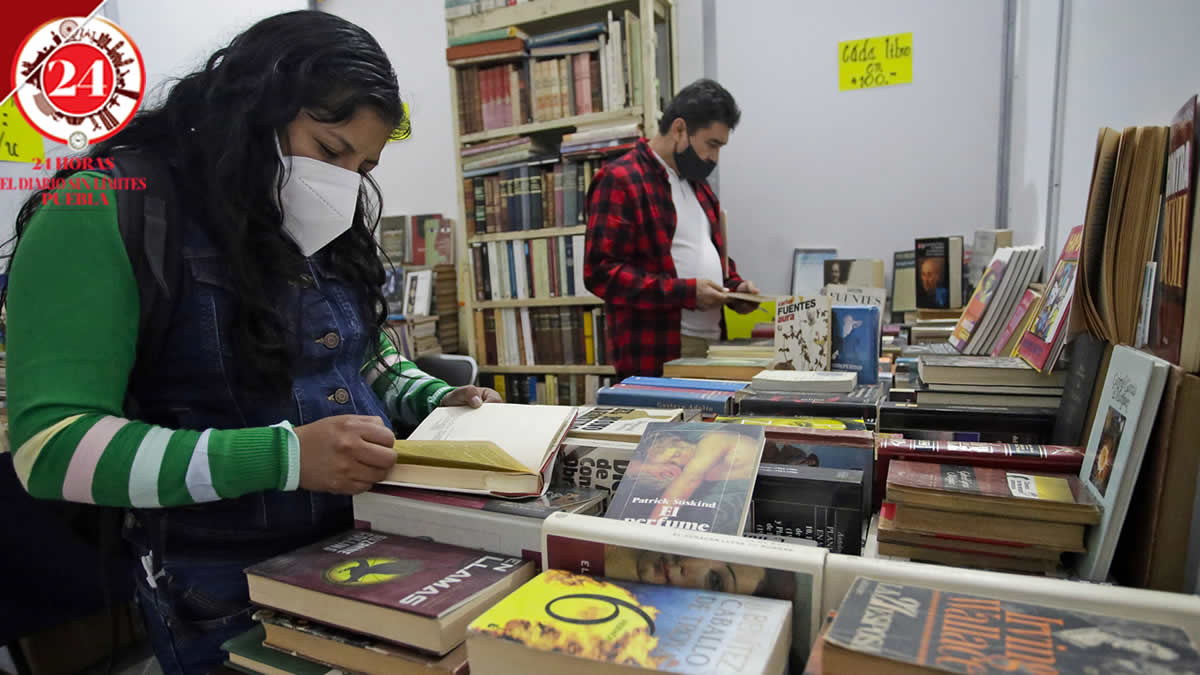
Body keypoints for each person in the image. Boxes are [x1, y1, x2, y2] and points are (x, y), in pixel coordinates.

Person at [3, 12, 499, 674]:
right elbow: (52, 447)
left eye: (364, 165)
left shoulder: (312, 218)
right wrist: (283, 456)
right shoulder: (104, 211)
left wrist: (438, 398)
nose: (345, 184)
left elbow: (365, 357)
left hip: (368, 552)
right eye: (330, 151)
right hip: (226, 589)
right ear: (254, 110)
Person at [584, 79, 761, 379]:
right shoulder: (621, 179)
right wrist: (686, 293)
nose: (715, 158)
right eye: (712, 144)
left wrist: (735, 288)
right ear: (679, 129)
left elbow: (710, 258)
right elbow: (601, 273)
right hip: (661, 351)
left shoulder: (699, 188)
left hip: (713, 345)